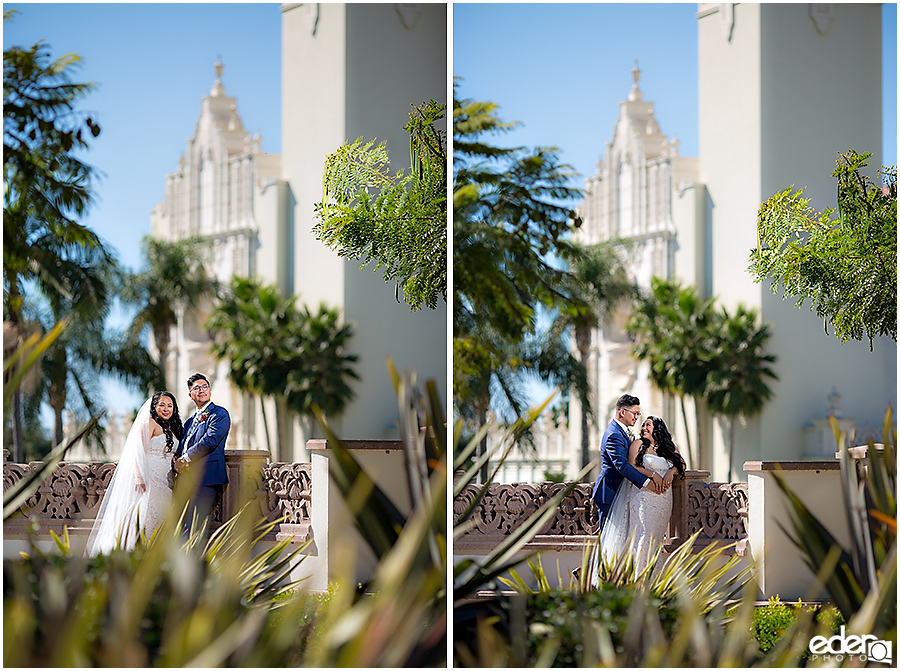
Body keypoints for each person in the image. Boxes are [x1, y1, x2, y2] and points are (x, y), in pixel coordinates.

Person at [85, 391, 183, 556]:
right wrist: (139, 476)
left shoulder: (173, 428)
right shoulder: (149, 423)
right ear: (154, 407)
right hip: (150, 475)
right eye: (162, 405)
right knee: (148, 513)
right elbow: (138, 452)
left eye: (170, 406)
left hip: (167, 477)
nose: (166, 409)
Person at [599, 414, 686, 575]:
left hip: (664, 500)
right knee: (643, 536)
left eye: (648, 425)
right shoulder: (638, 444)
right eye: (643, 425)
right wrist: (653, 474)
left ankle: (653, 580)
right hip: (643, 498)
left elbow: (681, 463)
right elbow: (632, 467)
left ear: (657, 429)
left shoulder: (668, 446)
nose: (644, 428)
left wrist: (670, 472)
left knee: (655, 539)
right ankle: (638, 580)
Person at [173, 373, 230, 536]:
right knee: (177, 525)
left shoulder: (219, 414)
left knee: (192, 528)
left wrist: (185, 459)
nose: (201, 390)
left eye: (204, 386)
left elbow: (210, 441)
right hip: (184, 479)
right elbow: (184, 444)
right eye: (196, 388)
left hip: (206, 479)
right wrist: (176, 458)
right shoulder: (190, 421)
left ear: (210, 390)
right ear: (190, 395)